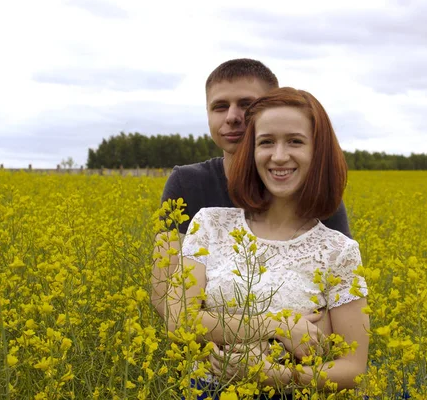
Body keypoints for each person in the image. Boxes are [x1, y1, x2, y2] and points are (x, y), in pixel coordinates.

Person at [169, 87, 369, 398]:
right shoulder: (210, 224)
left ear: (319, 152)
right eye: (266, 142)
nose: (278, 156)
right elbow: (180, 320)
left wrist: (278, 376)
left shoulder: (337, 251)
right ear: (252, 152)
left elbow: (353, 367)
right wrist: (280, 325)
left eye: (295, 141)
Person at [152, 59, 352, 336]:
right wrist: (201, 344)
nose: (232, 116)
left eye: (246, 104)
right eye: (219, 107)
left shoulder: (311, 195)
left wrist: (262, 356)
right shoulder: (188, 183)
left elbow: (333, 308)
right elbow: (165, 292)